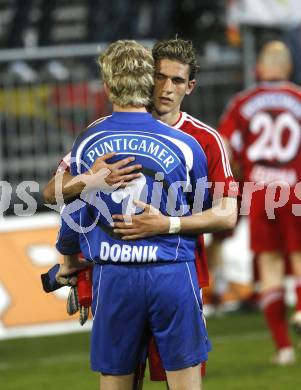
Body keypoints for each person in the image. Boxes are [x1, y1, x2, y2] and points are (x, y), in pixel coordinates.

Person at [43, 37, 238, 388]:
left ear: (190, 87)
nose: (165, 88)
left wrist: (168, 223)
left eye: (177, 81)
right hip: (141, 272)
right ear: (146, 77)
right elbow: (57, 190)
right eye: (160, 77)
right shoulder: (104, 134)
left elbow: (226, 215)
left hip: (180, 272)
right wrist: (87, 180)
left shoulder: (204, 139)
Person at [218, 40, 301, 365]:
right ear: (289, 68)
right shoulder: (298, 98)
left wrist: (238, 174)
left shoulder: (243, 102)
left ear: (261, 68)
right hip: (296, 190)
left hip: (261, 193)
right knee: (298, 258)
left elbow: (225, 146)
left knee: (269, 266)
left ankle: (283, 349)